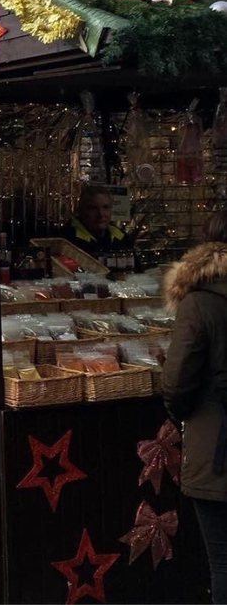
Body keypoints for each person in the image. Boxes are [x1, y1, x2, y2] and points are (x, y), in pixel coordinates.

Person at [163, 210, 227, 604]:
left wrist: (182, 414)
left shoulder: (199, 301)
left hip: (217, 448)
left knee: (223, 561)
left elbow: (177, 382)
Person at [62, 184, 132, 257]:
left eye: (105, 207)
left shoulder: (120, 237)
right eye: (93, 208)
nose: (101, 214)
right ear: (80, 210)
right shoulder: (66, 240)